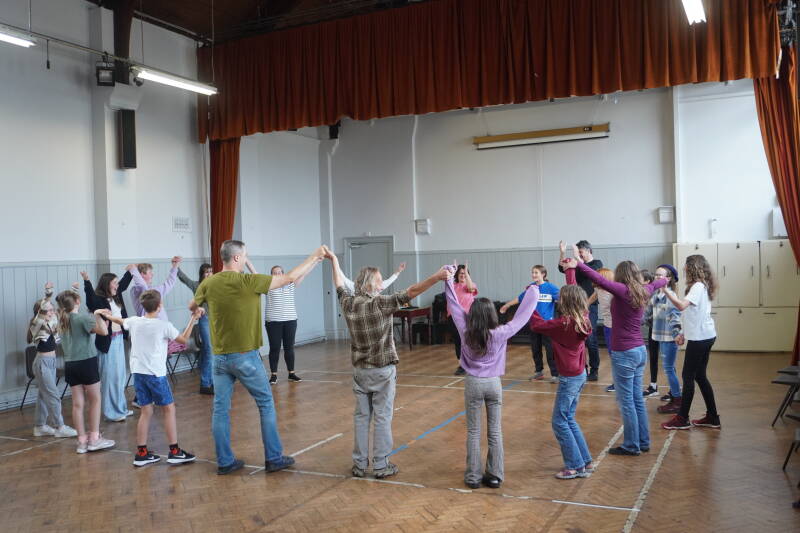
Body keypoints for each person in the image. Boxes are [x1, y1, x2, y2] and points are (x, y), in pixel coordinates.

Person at [190, 240, 325, 475]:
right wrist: (314, 257)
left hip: (219, 358)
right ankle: (273, 458)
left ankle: (225, 462)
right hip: (245, 357)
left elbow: (193, 304)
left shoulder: (209, 283)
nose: (245, 259)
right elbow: (290, 278)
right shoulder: (248, 281)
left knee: (220, 410)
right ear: (235, 258)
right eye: (244, 256)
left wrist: (201, 307)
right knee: (265, 403)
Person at [327, 248, 447, 479]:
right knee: (382, 417)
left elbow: (339, 285)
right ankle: (381, 465)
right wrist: (436, 277)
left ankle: (360, 465)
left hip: (360, 371)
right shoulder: (381, 304)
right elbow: (411, 292)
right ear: (370, 284)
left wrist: (333, 260)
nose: (383, 285)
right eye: (380, 281)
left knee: (362, 418)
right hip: (382, 370)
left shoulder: (349, 304)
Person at [446, 264, 539, 489]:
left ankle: (473, 477)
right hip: (494, 385)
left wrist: (448, 280)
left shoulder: (465, 330)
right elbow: (522, 317)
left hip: (473, 383)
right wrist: (533, 291)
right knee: (495, 431)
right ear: (491, 315)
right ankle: (495, 475)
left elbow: (454, 305)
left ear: (473, 315)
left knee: (473, 431)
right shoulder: (501, 333)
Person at [572, 246, 667, 456]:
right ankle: (643, 441)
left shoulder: (622, 291)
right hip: (639, 350)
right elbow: (657, 282)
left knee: (627, 402)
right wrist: (666, 280)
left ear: (621, 275)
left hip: (625, 352)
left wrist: (578, 262)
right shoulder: (644, 290)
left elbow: (598, 278)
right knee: (636, 399)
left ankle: (632, 445)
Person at [103, 290, 202, 466]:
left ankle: (141, 453)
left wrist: (107, 316)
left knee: (146, 411)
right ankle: (174, 451)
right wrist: (193, 319)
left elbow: (120, 321)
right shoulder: (164, 325)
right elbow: (184, 339)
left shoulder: (134, 321)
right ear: (159, 306)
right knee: (169, 409)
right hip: (156, 375)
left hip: (138, 374)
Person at [531, 258, 594, 479]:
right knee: (568, 418)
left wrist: (530, 301)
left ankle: (574, 466)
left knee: (559, 421)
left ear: (564, 303)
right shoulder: (582, 318)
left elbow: (537, 324)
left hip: (569, 378)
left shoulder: (563, 325)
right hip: (579, 375)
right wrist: (570, 271)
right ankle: (585, 461)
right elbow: (574, 291)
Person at [661, 255, 721, 430]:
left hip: (701, 339)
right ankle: (712, 417)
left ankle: (682, 418)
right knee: (700, 376)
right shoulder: (702, 286)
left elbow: (681, 307)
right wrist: (682, 333)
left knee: (688, 377)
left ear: (691, 267)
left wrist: (666, 290)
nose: (684, 268)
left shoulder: (698, 286)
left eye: (686, 265)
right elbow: (692, 314)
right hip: (705, 336)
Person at [55, 289, 115, 454]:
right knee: (95, 400)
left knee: (77, 404)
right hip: (86, 363)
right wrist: (96, 314)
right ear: (77, 302)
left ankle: (82, 441)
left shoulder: (61, 320)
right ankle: (94, 439)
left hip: (70, 365)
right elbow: (103, 331)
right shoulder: (82, 317)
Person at [81, 268, 134, 422]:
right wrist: (86, 281)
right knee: (109, 377)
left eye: (117, 283)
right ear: (106, 285)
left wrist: (131, 272)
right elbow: (90, 300)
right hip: (107, 343)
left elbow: (123, 284)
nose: (117, 286)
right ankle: (111, 412)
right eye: (114, 283)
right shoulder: (99, 299)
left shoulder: (116, 297)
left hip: (118, 340)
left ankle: (121, 408)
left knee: (120, 376)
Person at [27, 281, 78, 438]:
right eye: (47, 310)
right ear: (40, 312)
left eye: (52, 310)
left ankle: (39, 426)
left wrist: (73, 290)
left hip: (51, 363)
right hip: (42, 363)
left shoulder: (53, 323)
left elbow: (66, 308)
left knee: (43, 395)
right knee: (54, 395)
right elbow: (44, 308)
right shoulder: (37, 324)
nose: (51, 312)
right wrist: (48, 293)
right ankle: (60, 427)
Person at [500, 265, 560, 382]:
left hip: (547, 324)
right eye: (532, 272)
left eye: (536, 272)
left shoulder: (550, 288)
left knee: (550, 350)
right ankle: (539, 372)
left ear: (543, 274)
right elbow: (519, 298)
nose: (533, 275)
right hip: (534, 324)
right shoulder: (531, 288)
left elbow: (562, 297)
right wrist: (507, 305)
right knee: (535, 349)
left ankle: (555, 374)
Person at [265, 264, 317, 385]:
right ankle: (274, 375)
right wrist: (246, 261)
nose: (277, 274)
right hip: (273, 322)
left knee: (289, 348)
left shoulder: (290, 285)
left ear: (283, 274)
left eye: (279, 272)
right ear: (271, 275)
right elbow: (255, 273)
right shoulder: (267, 286)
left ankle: (291, 373)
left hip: (290, 321)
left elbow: (303, 273)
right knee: (275, 348)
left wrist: (314, 262)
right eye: (274, 272)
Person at [559, 241, 602, 381]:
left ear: (588, 250)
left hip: (591, 306)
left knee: (591, 339)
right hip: (576, 307)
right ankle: (583, 367)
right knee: (578, 339)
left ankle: (594, 370)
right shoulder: (577, 264)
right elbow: (562, 267)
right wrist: (562, 252)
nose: (579, 254)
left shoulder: (597, 263)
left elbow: (590, 272)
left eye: (580, 252)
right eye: (578, 252)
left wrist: (577, 259)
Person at [645, 265, 683, 415]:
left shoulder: (670, 296)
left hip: (669, 338)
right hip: (659, 336)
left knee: (668, 368)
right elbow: (647, 315)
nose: (657, 278)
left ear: (668, 279)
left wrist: (676, 335)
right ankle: (675, 395)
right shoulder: (655, 296)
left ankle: (677, 400)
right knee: (669, 368)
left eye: (661, 276)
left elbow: (675, 318)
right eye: (656, 275)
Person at [178, 263, 214, 395]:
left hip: (216, 320)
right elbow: (184, 278)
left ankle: (210, 381)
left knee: (209, 351)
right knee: (209, 350)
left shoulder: (215, 285)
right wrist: (176, 267)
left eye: (210, 271)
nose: (209, 274)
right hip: (204, 320)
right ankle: (205, 384)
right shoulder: (197, 285)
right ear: (202, 273)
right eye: (206, 272)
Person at [448, 263, 478, 376]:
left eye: (464, 273)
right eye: (460, 273)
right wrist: (452, 270)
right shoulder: (453, 285)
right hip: (454, 317)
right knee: (458, 341)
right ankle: (461, 365)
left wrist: (466, 272)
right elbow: (448, 281)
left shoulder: (470, 285)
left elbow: (470, 288)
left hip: (467, 317)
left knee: (469, 341)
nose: (462, 275)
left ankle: (471, 363)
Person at [590, 268, 615, 392]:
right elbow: (592, 298)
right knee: (612, 355)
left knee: (616, 355)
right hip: (607, 326)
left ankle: (619, 382)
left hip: (616, 327)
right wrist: (582, 307)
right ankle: (617, 382)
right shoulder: (598, 289)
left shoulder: (613, 291)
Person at [640, 270, 661, 398]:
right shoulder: (643, 293)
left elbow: (652, 313)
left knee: (668, 364)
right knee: (653, 358)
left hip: (663, 331)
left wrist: (640, 320)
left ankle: (674, 392)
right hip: (652, 329)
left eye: (639, 279)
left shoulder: (654, 293)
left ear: (647, 281)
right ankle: (653, 386)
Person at [337, 262, 406, 295]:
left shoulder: (377, 289)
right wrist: (334, 260)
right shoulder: (355, 288)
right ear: (370, 282)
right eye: (378, 280)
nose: (382, 282)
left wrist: (399, 271)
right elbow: (342, 277)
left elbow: (389, 281)